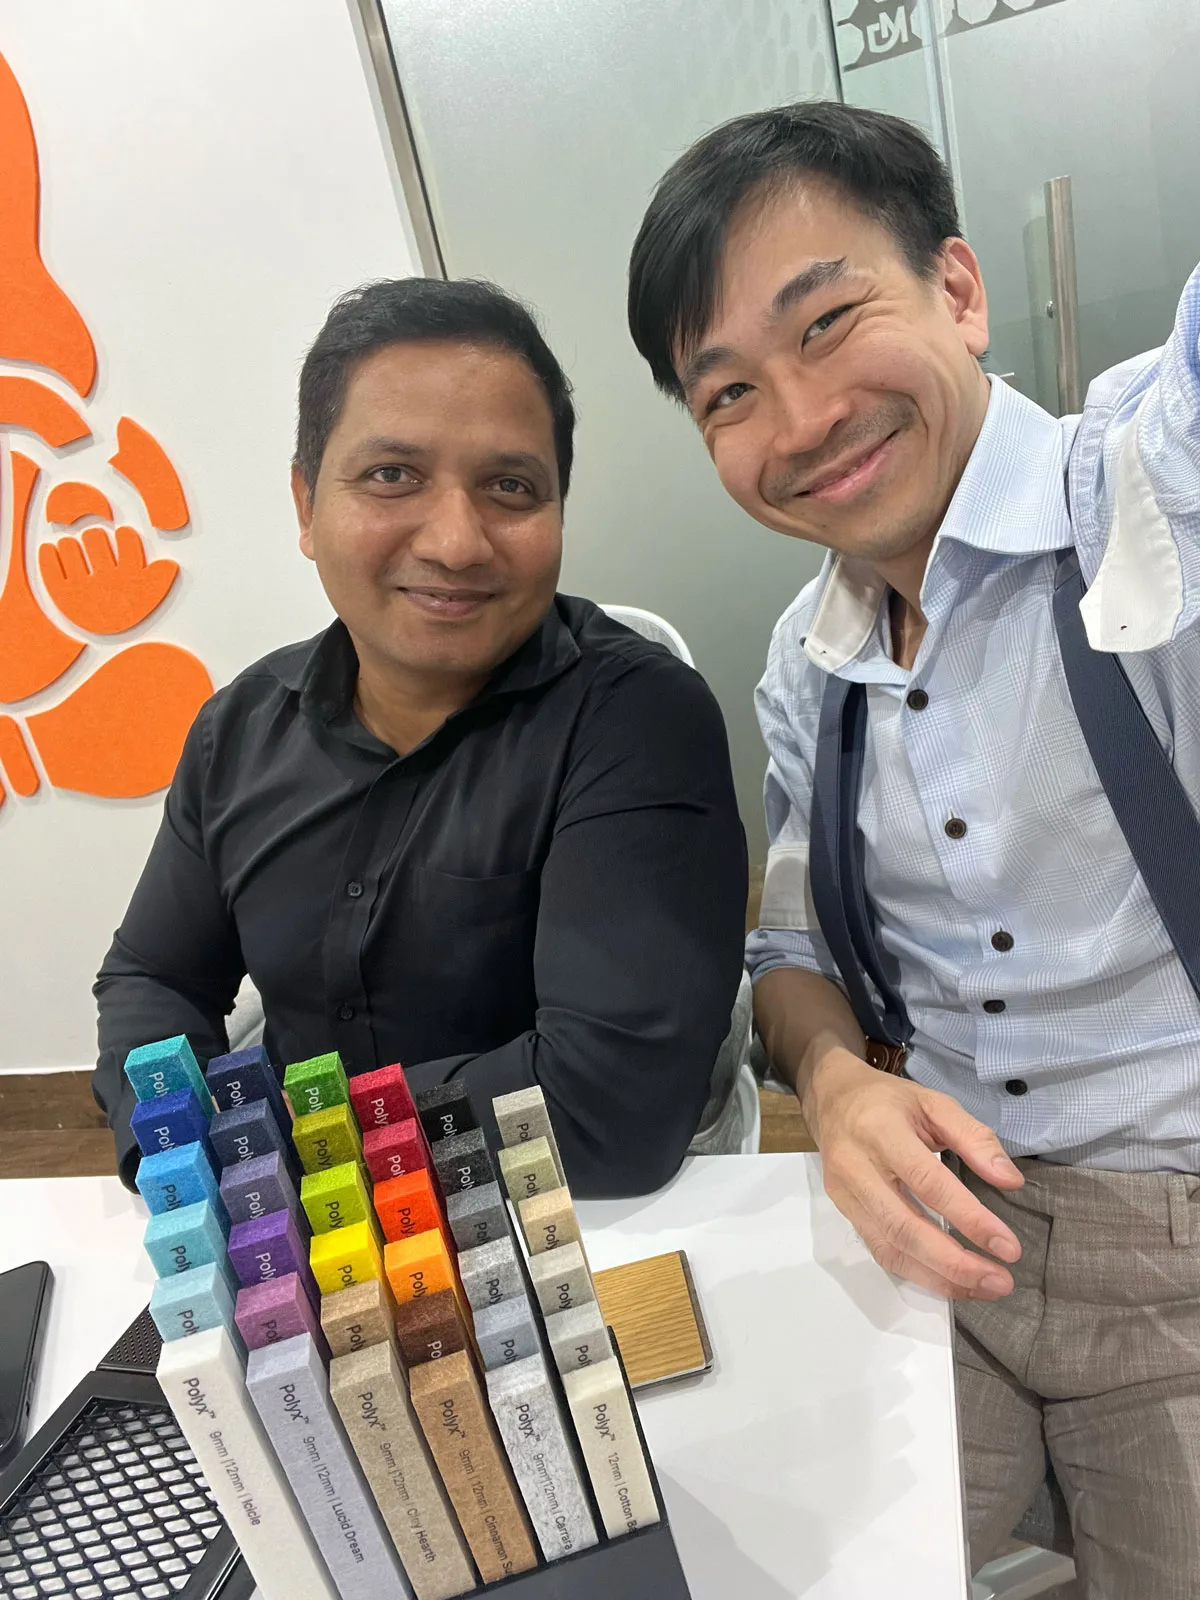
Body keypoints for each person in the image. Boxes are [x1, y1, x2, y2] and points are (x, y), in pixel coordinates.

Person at [628, 101, 1200, 1593]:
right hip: (942, 1230)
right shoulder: (803, 660)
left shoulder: (1146, 495)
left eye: (829, 325)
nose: (802, 421)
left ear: (958, 289)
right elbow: (794, 950)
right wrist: (833, 1084)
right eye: (730, 392)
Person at [94, 277, 748, 1200]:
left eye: (510, 487)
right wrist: (180, 1149)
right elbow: (153, 979)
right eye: (392, 475)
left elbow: (610, 1111)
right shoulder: (238, 730)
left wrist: (293, 1148)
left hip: (547, 1236)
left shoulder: (634, 722)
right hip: (294, 1242)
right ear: (305, 504)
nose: (456, 541)